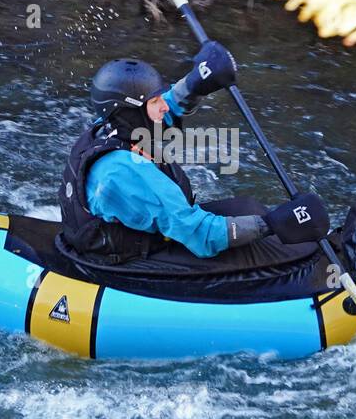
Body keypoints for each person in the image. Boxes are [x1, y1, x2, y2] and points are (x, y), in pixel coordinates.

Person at [58, 41, 331, 266]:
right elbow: (199, 234)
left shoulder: (113, 127)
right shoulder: (123, 172)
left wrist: (197, 81)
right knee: (253, 243)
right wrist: (272, 224)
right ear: (130, 111)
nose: (162, 106)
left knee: (246, 208)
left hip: (128, 232)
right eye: (154, 102)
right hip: (123, 261)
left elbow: (166, 107)